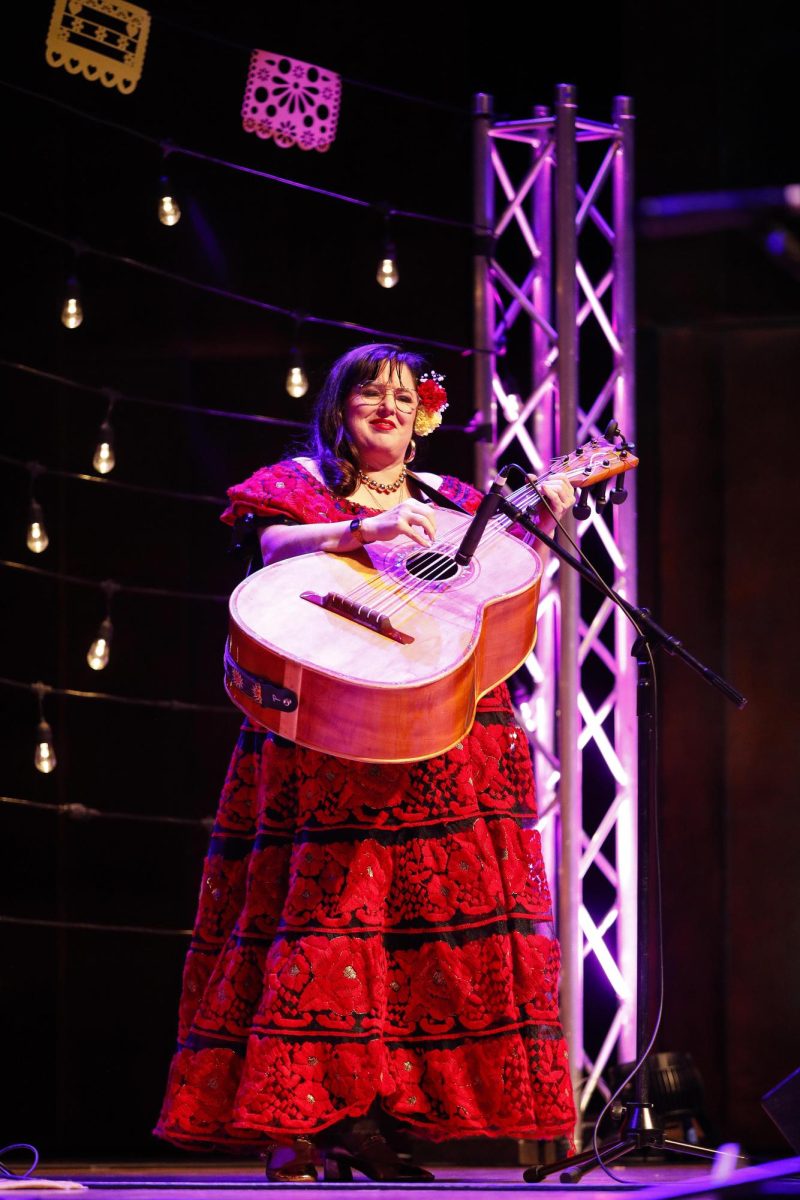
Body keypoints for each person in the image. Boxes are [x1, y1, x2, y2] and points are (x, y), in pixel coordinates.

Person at [155, 343, 576, 1182]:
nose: (385, 405)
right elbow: (270, 547)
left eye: (401, 395)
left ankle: (387, 1112)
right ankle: (306, 1119)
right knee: (329, 913)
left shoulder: (460, 503)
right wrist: (363, 527)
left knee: (419, 928)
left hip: (444, 727)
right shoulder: (298, 486)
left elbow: (494, 600)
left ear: (425, 417)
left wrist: (551, 514)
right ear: (339, 410)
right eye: (366, 394)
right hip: (330, 724)